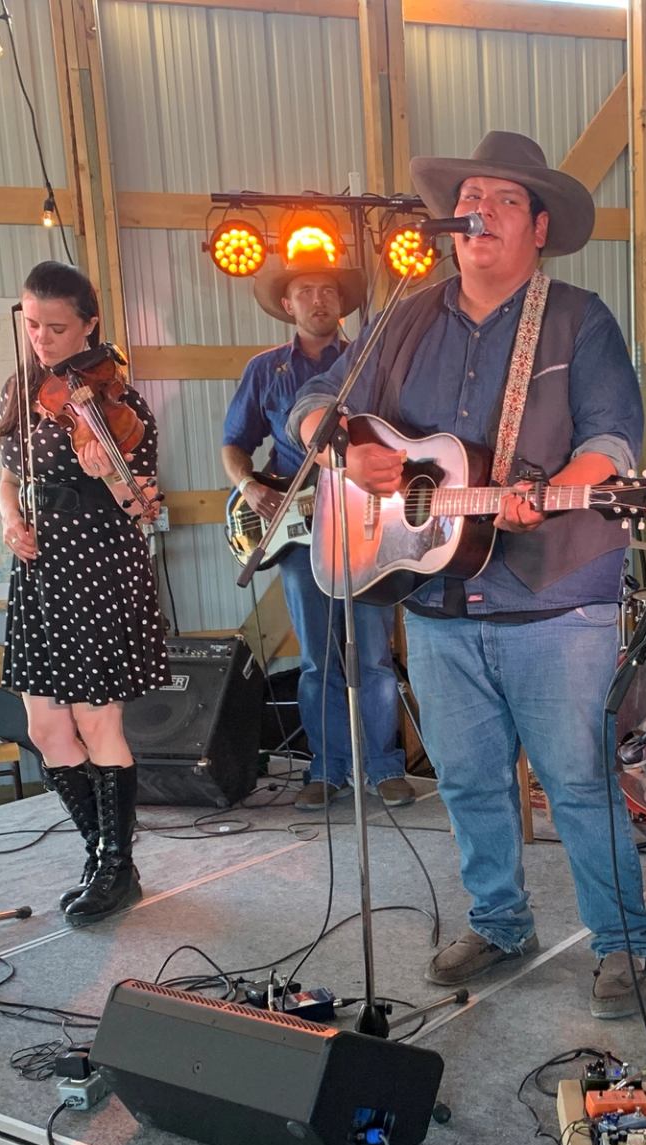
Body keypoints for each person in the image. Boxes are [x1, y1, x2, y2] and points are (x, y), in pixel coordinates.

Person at [289, 131, 646, 1019]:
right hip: (437, 586)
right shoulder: (404, 316)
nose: (479, 212)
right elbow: (310, 406)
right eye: (471, 198)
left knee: (575, 779)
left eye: (502, 200)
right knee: (465, 778)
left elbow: (615, 442)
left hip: (558, 592)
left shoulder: (577, 318)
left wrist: (558, 489)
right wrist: (349, 453)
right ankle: (498, 919)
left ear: (538, 227)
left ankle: (623, 943)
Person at [0, 261, 169, 924]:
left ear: (90, 324)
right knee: (45, 725)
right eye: (32, 323)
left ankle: (117, 869)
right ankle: (100, 853)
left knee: (98, 722)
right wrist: (10, 519)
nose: (41, 336)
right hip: (39, 568)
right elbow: (6, 475)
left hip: (97, 562)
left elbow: (142, 506)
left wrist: (111, 475)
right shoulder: (21, 387)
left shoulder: (120, 406)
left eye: (57, 327)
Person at [222, 244, 413, 812]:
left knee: (374, 653)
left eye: (328, 290)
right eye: (305, 290)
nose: (318, 299)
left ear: (343, 302)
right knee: (317, 658)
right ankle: (326, 770)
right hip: (297, 530)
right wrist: (250, 488)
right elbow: (235, 444)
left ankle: (381, 767)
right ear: (286, 303)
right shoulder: (265, 370)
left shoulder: (369, 363)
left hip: (366, 525)